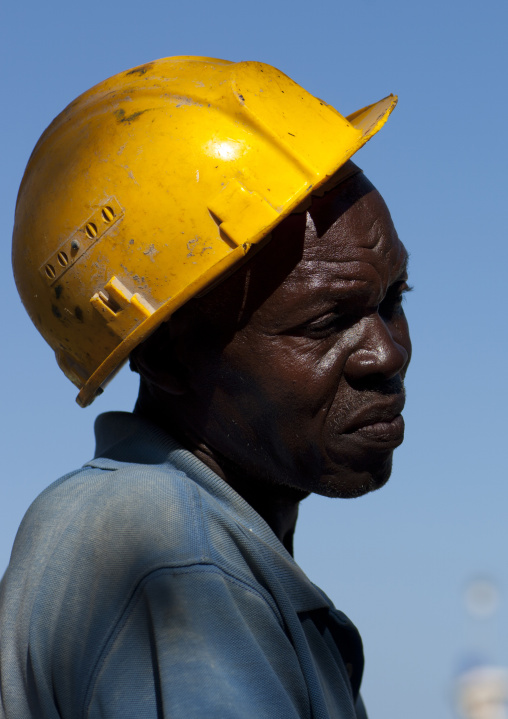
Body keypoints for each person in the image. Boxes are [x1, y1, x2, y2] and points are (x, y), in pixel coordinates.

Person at [0, 57, 411, 718]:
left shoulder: (188, 541)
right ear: (166, 354)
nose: (386, 352)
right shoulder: (173, 560)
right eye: (326, 322)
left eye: (394, 298)